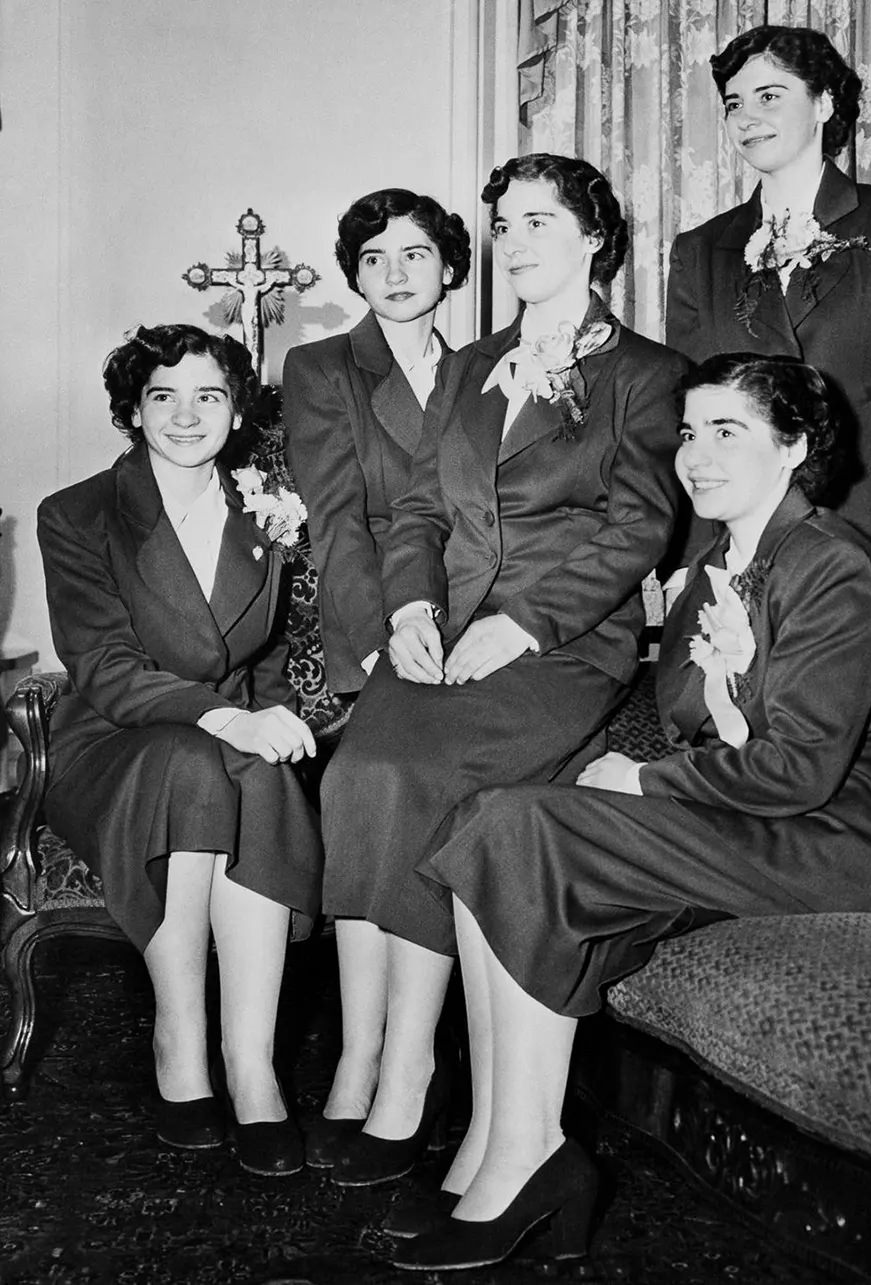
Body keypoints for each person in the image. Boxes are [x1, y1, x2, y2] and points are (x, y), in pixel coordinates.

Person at [392, 353, 871, 1271]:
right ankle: (497, 1136)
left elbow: (801, 769)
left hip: (840, 845)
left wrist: (641, 782)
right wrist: (712, 698)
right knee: (494, 817)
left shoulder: (836, 567)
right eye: (689, 433)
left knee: (527, 827)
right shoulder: (713, 565)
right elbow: (691, 723)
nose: (697, 456)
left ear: (795, 446)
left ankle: (527, 1156)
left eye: (730, 432)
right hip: (759, 822)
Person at [310, 153, 688, 1184]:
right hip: (444, 627)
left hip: (560, 643)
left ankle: (405, 1081)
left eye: (537, 223)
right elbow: (422, 511)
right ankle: (382, 1058)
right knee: (357, 774)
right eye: (505, 227)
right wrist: (411, 604)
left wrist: (519, 624)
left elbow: (638, 525)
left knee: (424, 779)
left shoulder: (646, 373)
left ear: (594, 238)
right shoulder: (472, 365)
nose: (516, 245)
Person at [37, 324, 323, 1177]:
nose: (187, 414)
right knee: (200, 761)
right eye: (164, 395)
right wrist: (228, 720)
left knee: (257, 776)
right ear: (133, 409)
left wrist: (268, 721)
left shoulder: (266, 509)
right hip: (110, 743)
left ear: (236, 412)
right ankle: (180, 1040)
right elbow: (106, 667)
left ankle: (252, 1064)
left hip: (221, 732)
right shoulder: (78, 513)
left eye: (210, 395)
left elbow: (264, 655)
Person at [664, 24, 871, 593]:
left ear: (824, 103)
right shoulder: (699, 250)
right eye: (733, 104)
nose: (746, 118)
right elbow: (688, 421)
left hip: (869, 537)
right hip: (742, 545)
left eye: (769, 96)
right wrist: (689, 560)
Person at [282, 188, 471, 696]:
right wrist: (378, 644)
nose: (394, 275)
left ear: (448, 269)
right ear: (357, 278)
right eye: (374, 259)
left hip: (479, 608)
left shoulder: (481, 374)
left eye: (414, 254)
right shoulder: (320, 368)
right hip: (379, 617)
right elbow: (336, 520)